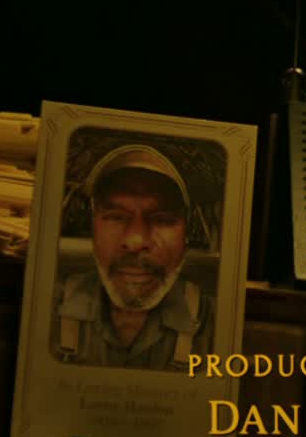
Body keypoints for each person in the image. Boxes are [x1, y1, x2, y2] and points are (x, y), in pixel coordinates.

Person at [51, 143, 213, 371]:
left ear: (188, 232)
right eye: (116, 217)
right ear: (92, 225)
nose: (136, 241)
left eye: (162, 219)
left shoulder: (213, 323)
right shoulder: (46, 309)